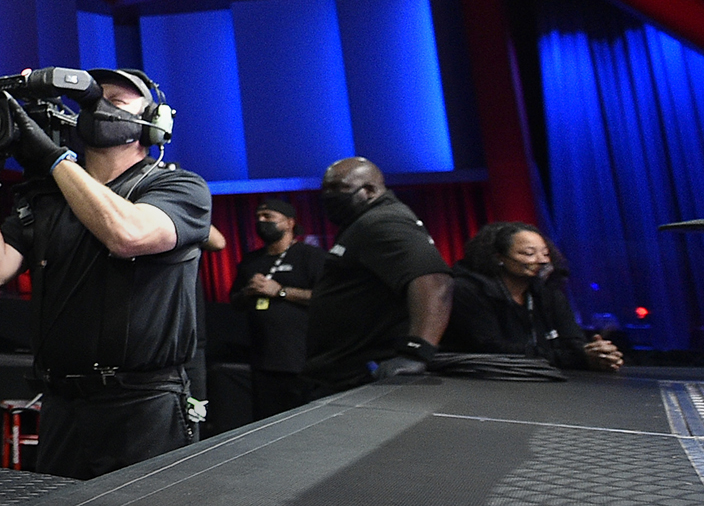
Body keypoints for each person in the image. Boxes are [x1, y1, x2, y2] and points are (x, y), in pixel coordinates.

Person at [0, 68, 212, 480]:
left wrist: (55, 160)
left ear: (154, 121)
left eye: (117, 101)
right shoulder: (48, 198)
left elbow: (127, 234)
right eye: (92, 99)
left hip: (143, 403)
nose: (100, 105)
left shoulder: (180, 187)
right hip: (62, 403)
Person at [303, 158, 453, 394]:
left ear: (370, 190)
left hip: (362, 376)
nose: (328, 196)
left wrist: (416, 352)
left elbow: (434, 281)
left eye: (337, 188)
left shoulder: (384, 220)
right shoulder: (363, 222)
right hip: (343, 373)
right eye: (325, 189)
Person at [443, 221, 623, 371]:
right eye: (529, 253)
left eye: (545, 253)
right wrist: (577, 358)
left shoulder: (547, 293)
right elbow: (493, 349)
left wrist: (596, 352)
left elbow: (573, 341)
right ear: (499, 258)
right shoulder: (467, 290)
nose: (543, 260)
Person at [229, 198, 328, 418]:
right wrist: (249, 292)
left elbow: (325, 298)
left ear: (289, 222)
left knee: (301, 420)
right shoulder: (251, 261)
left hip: (300, 360)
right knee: (265, 420)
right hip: (261, 361)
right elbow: (234, 301)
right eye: (258, 218)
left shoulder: (311, 256)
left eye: (268, 217)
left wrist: (280, 291)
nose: (261, 221)